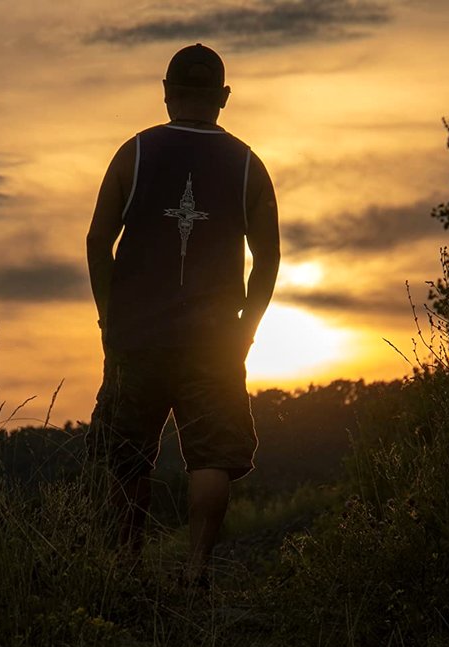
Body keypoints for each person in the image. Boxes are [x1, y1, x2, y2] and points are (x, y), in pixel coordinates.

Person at [85, 43, 280, 586]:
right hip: (214, 343)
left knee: (126, 456)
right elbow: (268, 259)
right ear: (224, 97)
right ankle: (196, 572)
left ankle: (126, 569)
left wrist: (109, 317)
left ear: (167, 92)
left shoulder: (133, 153)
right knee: (211, 458)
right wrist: (246, 330)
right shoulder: (248, 165)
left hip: (136, 339)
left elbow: (98, 241)